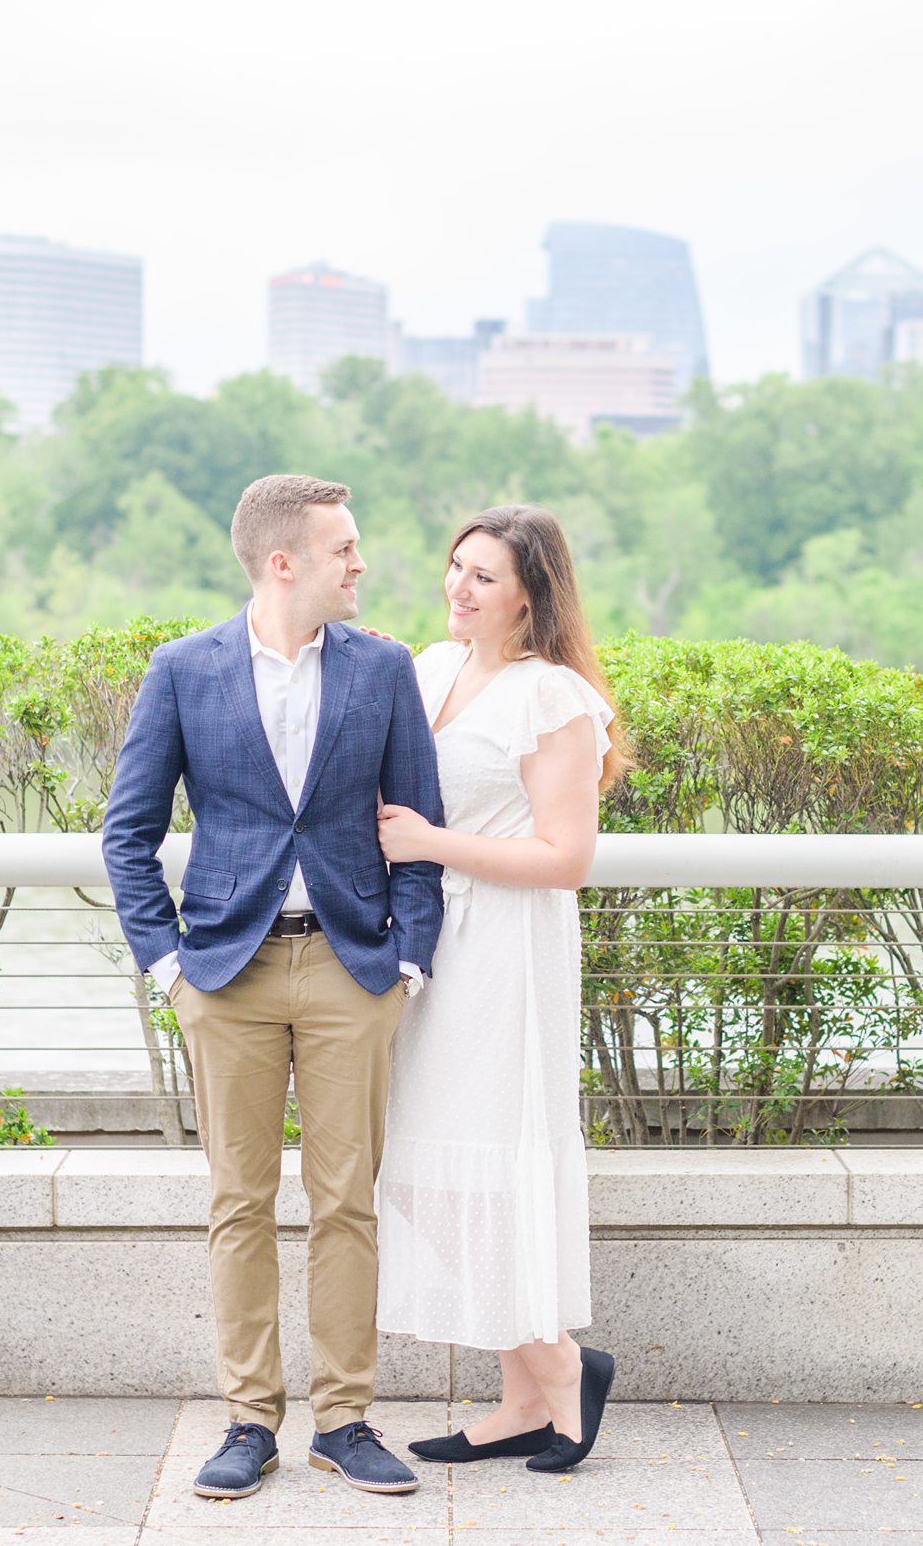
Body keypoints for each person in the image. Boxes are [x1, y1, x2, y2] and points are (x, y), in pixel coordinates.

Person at [100, 473, 444, 1502]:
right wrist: (169, 969)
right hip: (226, 974)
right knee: (238, 1202)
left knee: (349, 1203)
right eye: (345, 546)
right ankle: (250, 1419)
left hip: (352, 968)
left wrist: (408, 962)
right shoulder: (183, 670)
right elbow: (128, 834)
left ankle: (346, 1418)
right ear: (282, 560)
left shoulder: (383, 669)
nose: (362, 563)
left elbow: (418, 833)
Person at [372, 503, 625, 1474]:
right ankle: (535, 1383)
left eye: (483, 575)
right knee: (422, 1169)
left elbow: (566, 857)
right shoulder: (431, 668)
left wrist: (432, 845)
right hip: (430, 939)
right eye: (454, 565)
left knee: (492, 1156)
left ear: (531, 592)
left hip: (506, 946)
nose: (458, 587)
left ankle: (553, 1373)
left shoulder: (551, 696)